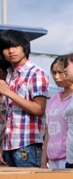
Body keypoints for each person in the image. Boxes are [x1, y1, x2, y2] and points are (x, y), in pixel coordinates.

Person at [0, 29, 49, 167]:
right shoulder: (10, 75)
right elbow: (8, 116)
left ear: (25, 47)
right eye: (6, 47)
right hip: (9, 146)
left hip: (28, 145)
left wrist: (8, 92)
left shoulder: (36, 73)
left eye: (15, 46)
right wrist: (3, 146)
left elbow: (39, 109)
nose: (11, 51)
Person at [40, 56, 73, 169]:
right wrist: (43, 161)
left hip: (68, 158)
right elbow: (48, 132)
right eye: (54, 73)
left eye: (60, 72)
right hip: (52, 159)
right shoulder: (53, 99)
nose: (56, 77)